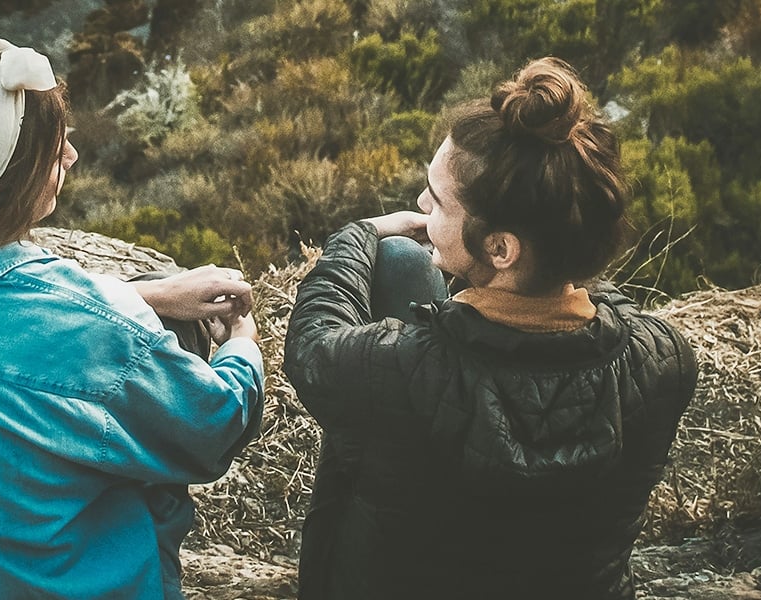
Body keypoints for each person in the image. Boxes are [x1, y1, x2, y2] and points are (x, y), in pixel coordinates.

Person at [0, 37, 264, 599]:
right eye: (54, 148)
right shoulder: (89, 331)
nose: (71, 156)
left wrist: (152, 295)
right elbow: (213, 427)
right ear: (12, 188)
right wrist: (243, 344)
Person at [282, 57, 697, 599]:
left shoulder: (400, 366)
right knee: (414, 263)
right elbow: (594, 300)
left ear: (501, 248)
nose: (420, 204)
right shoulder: (664, 359)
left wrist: (358, 234)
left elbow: (312, 345)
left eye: (437, 198)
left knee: (398, 260)